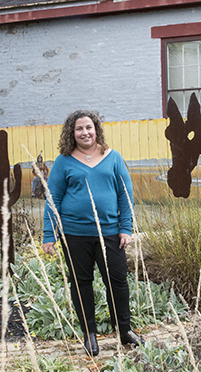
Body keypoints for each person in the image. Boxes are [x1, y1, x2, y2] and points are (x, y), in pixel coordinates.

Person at [42, 110, 144, 357]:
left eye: (89, 127)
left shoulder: (113, 158)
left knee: (117, 282)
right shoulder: (63, 162)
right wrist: (49, 233)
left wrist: (125, 228)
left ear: (96, 129)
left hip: (110, 233)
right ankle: (90, 334)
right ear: (72, 133)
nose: (85, 132)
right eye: (79, 129)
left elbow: (125, 195)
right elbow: (52, 198)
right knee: (81, 283)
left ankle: (125, 331)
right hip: (74, 235)